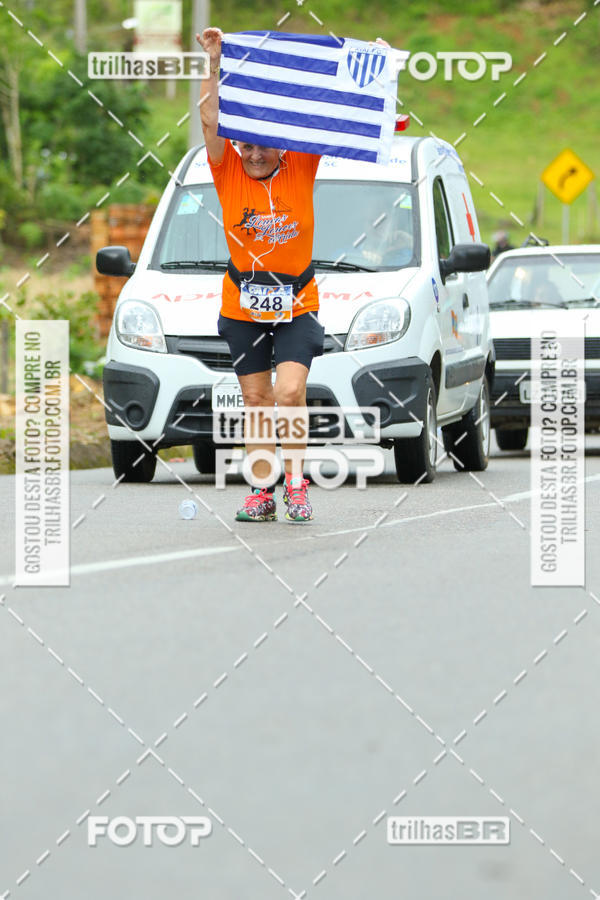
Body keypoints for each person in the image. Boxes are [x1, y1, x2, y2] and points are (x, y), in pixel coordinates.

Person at [196, 27, 324, 523]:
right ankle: (260, 491)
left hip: (297, 300)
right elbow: (210, 119)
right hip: (242, 303)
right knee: (256, 398)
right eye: (246, 146)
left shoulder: (300, 166)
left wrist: (369, 78)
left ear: (281, 149)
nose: (253, 154)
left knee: (289, 392)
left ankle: (296, 484)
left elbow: (320, 112)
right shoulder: (225, 169)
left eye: (264, 147)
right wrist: (215, 60)